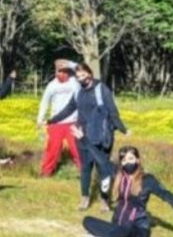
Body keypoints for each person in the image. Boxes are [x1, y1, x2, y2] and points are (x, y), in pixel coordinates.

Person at [82, 145, 173, 237]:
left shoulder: (147, 180)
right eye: (124, 160)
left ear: (138, 160)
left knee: (125, 230)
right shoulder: (118, 175)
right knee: (87, 221)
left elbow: (169, 197)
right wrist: (83, 138)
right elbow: (101, 160)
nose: (128, 163)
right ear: (121, 163)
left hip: (138, 230)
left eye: (131, 159)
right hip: (118, 225)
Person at [48, 63, 127, 211]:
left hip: (101, 136)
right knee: (85, 169)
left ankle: (104, 200)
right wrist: (53, 120)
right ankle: (84, 198)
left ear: (89, 74)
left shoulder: (101, 89)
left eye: (83, 75)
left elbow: (113, 111)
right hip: (82, 135)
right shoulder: (78, 91)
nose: (81, 79)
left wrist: (123, 129)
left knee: (103, 169)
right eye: (78, 77)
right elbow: (69, 108)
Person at [36, 59, 82, 177]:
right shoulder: (51, 85)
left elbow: (82, 69)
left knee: (76, 148)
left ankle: (84, 171)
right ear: (56, 72)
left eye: (64, 71)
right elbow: (44, 102)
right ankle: (46, 172)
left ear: (69, 72)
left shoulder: (75, 82)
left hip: (73, 121)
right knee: (52, 149)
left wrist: (70, 63)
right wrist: (40, 119)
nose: (62, 74)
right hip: (56, 122)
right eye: (59, 71)